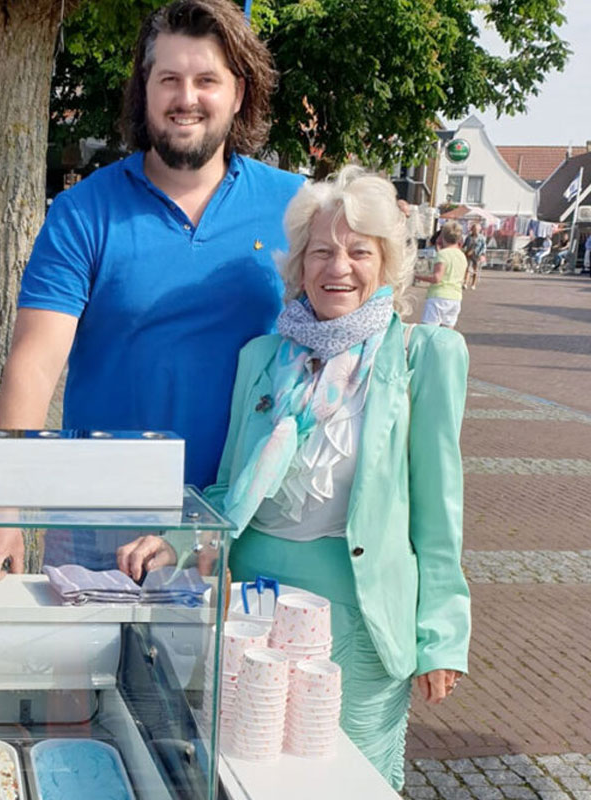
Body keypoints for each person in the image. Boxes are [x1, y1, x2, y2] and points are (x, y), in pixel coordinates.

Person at [117, 167, 470, 790]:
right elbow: (230, 489)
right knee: (249, 770)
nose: (340, 266)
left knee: (344, 779)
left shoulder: (424, 357)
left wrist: (440, 634)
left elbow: (439, 513)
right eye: (322, 251)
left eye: (360, 251)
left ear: (386, 264)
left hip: (360, 622)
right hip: (253, 612)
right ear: (300, 266)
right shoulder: (262, 359)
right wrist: (176, 536)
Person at [0, 0, 304, 580]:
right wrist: (0, 506)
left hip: (245, 511)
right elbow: (33, 366)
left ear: (239, 93)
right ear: (144, 89)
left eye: (206, 81)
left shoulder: (296, 208)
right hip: (103, 518)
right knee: (90, 671)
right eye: (168, 78)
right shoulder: (83, 213)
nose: (186, 98)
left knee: (242, 673)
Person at [418, 222, 466, 328]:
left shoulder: (442, 255)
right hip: (456, 297)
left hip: (439, 296)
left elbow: (437, 278)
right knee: (447, 332)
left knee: (428, 330)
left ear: (442, 236)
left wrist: (417, 276)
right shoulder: (461, 255)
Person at [461, 222, 485, 289]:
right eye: (474, 229)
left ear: (479, 230)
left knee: (475, 269)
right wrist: (463, 250)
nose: (475, 230)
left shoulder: (481, 238)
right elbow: (464, 245)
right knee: (467, 268)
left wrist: (481, 254)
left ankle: (473, 284)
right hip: (468, 254)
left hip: (477, 254)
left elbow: (484, 247)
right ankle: (465, 283)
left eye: (477, 229)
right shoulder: (469, 237)